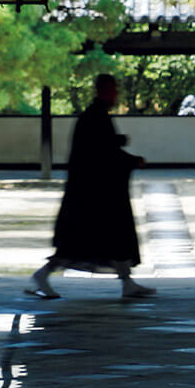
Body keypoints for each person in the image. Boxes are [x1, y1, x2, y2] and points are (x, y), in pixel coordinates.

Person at [27, 74, 156, 300]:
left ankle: (127, 282)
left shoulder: (95, 116)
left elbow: (104, 147)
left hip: (95, 191)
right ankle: (42, 275)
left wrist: (119, 145)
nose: (116, 95)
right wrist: (130, 159)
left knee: (112, 238)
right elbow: (101, 153)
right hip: (90, 195)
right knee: (79, 243)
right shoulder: (94, 117)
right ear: (103, 90)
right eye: (113, 89)